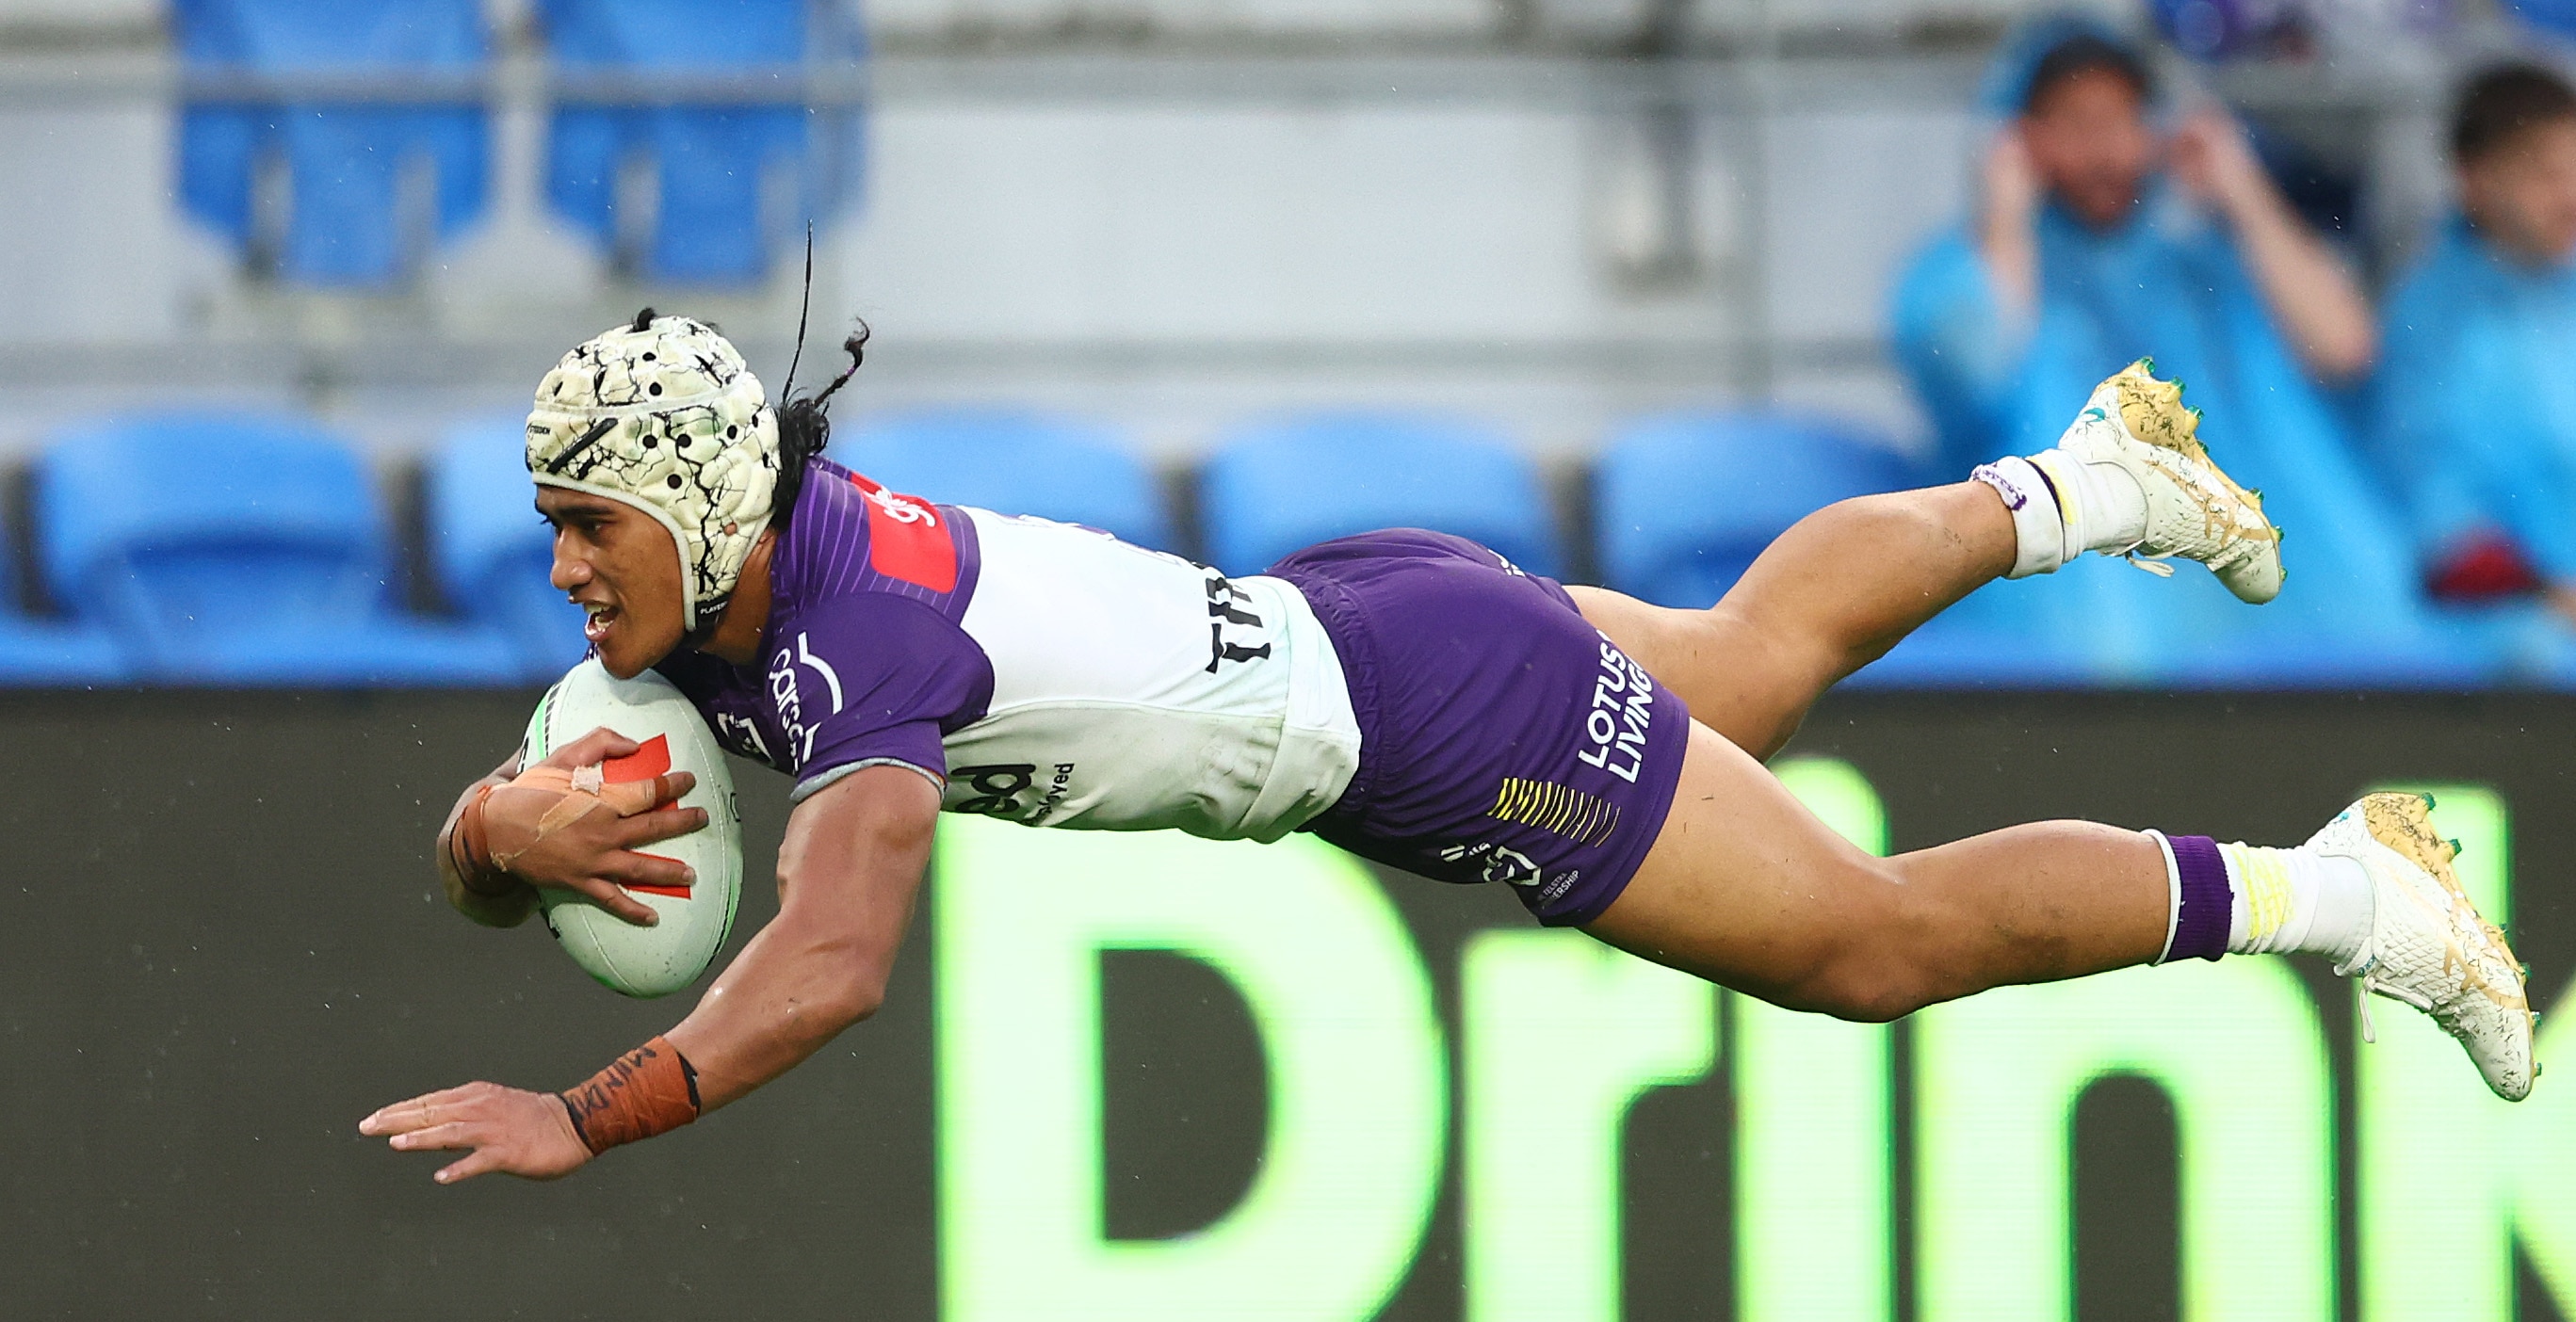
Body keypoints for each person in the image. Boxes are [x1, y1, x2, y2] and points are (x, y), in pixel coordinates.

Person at [362, 313, 2533, 1188]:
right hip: (1363, 604)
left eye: (585, 526)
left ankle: (2353, 888)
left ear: (696, 503)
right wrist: (481, 833)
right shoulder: (732, 587)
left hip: (1413, 709)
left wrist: (591, 1113)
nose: (560, 570)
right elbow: (555, 833)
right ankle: (2083, 483)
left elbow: (830, 962)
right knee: (1746, 665)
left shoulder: (854, 643)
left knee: (1863, 944)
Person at [1889, 19, 2414, 664]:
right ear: (2020, 138)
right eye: (2074, 125)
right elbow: (1977, 368)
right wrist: (2003, 211)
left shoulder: (2207, 262)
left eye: (2120, 121)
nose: (2103, 152)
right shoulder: (1965, 271)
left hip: (2278, 618)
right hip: (2074, 634)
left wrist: (2241, 191)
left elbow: (2343, 347)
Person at [2376, 63, 2576, 626]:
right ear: (2474, 179)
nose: (2569, 195)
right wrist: (2543, 593)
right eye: (2543, 173)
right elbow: (2437, 513)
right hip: (2504, 647)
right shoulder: (2428, 321)